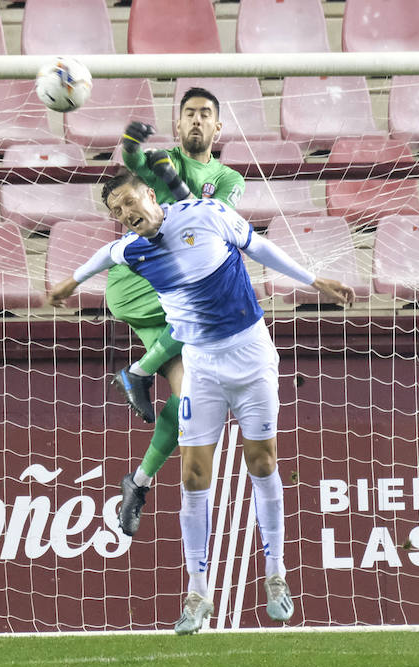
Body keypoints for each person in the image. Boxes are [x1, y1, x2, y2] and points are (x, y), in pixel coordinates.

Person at [49, 171, 355, 635]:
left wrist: (316, 282)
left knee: (263, 462)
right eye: (117, 212)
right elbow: (100, 256)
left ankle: (276, 575)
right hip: (202, 368)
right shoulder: (130, 249)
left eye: (130, 202)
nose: (127, 215)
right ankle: (197, 593)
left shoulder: (207, 214)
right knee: (193, 474)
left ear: (150, 194)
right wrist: (69, 284)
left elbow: (258, 247)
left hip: (251, 357)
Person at [107, 86, 247, 538]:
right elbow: (131, 164)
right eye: (189, 113)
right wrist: (131, 141)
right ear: (178, 123)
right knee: (213, 302)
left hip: (172, 304)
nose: (197, 120)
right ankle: (137, 373)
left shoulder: (228, 180)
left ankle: (138, 483)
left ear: (218, 126)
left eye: (206, 113)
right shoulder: (163, 158)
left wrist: (177, 187)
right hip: (140, 282)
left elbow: (210, 221)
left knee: (189, 401)